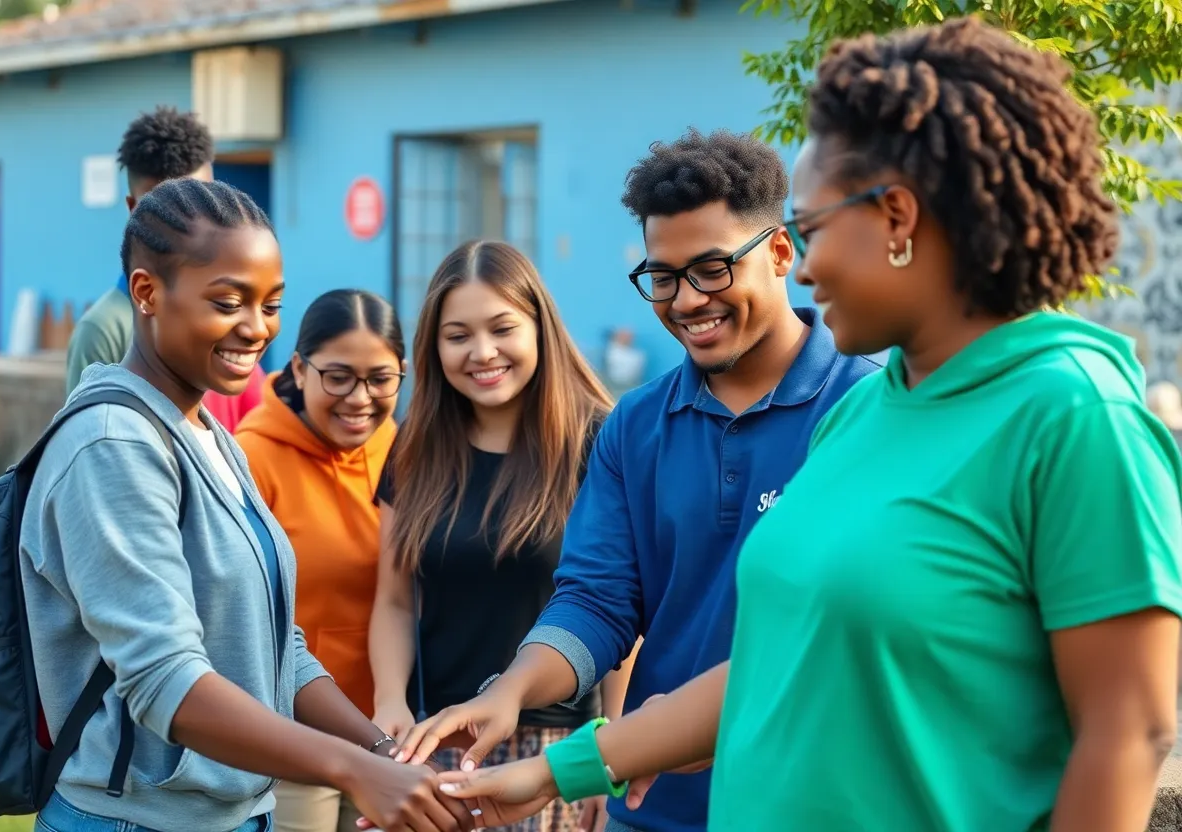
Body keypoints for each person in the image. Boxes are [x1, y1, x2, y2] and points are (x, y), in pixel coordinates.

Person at [434, 18, 1182, 832]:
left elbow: (1129, 732)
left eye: (816, 231)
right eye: (664, 277)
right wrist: (559, 769)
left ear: (897, 217)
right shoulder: (870, 412)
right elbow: (776, 661)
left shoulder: (1074, 418)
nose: (811, 264)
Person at [392, 130, 879, 832]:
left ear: (779, 252)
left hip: (813, 802)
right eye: (663, 276)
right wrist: (514, 688)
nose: (685, 300)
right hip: (654, 810)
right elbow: (597, 601)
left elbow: (833, 641)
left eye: (711, 269)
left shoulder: (864, 410)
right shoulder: (636, 426)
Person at [21, 178, 474, 832]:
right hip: (138, 820)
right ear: (147, 293)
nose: (256, 328)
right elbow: (165, 681)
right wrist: (351, 769)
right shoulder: (111, 446)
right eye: (229, 301)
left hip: (231, 814)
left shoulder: (209, 437)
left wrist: (381, 749)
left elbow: (275, 642)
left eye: (271, 304)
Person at [369, 240, 623, 832]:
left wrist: (611, 757)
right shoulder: (414, 449)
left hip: (560, 751)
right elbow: (394, 598)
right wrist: (390, 703)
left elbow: (621, 611)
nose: (482, 352)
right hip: (440, 743)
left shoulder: (596, 442)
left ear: (540, 328)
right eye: (458, 335)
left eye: (502, 328)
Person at [236, 289, 406, 832]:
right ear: (299, 370)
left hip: (389, 735)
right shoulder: (251, 460)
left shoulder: (397, 446)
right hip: (289, 743)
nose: (360, 399)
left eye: (380, 379)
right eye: (338, 377)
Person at [65, 105, 266, 430]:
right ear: (133, 209)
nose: (189, 223)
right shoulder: (104, 330)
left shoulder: (230, 316)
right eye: (165, 208)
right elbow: (88, 443)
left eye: (202, 201)